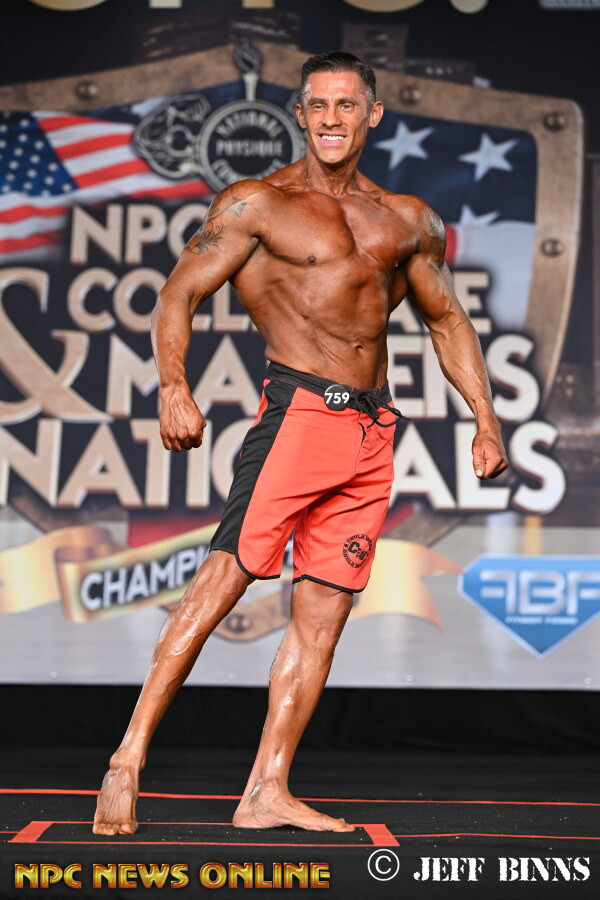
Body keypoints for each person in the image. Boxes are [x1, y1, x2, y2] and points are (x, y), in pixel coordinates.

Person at [93, 51, 508, 836]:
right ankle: (127, 758)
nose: (330, 119)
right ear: (300, 114)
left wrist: (485, 418)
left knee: (323, 616)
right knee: (220, 584)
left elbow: (447, 320)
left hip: (371, 431)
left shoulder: (407, 219)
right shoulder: (258, 204)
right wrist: (174, 387)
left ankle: (267, 788)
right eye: (318, 105)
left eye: (346, 105)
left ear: (371, 114)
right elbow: (178, 293)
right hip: (300, 416)